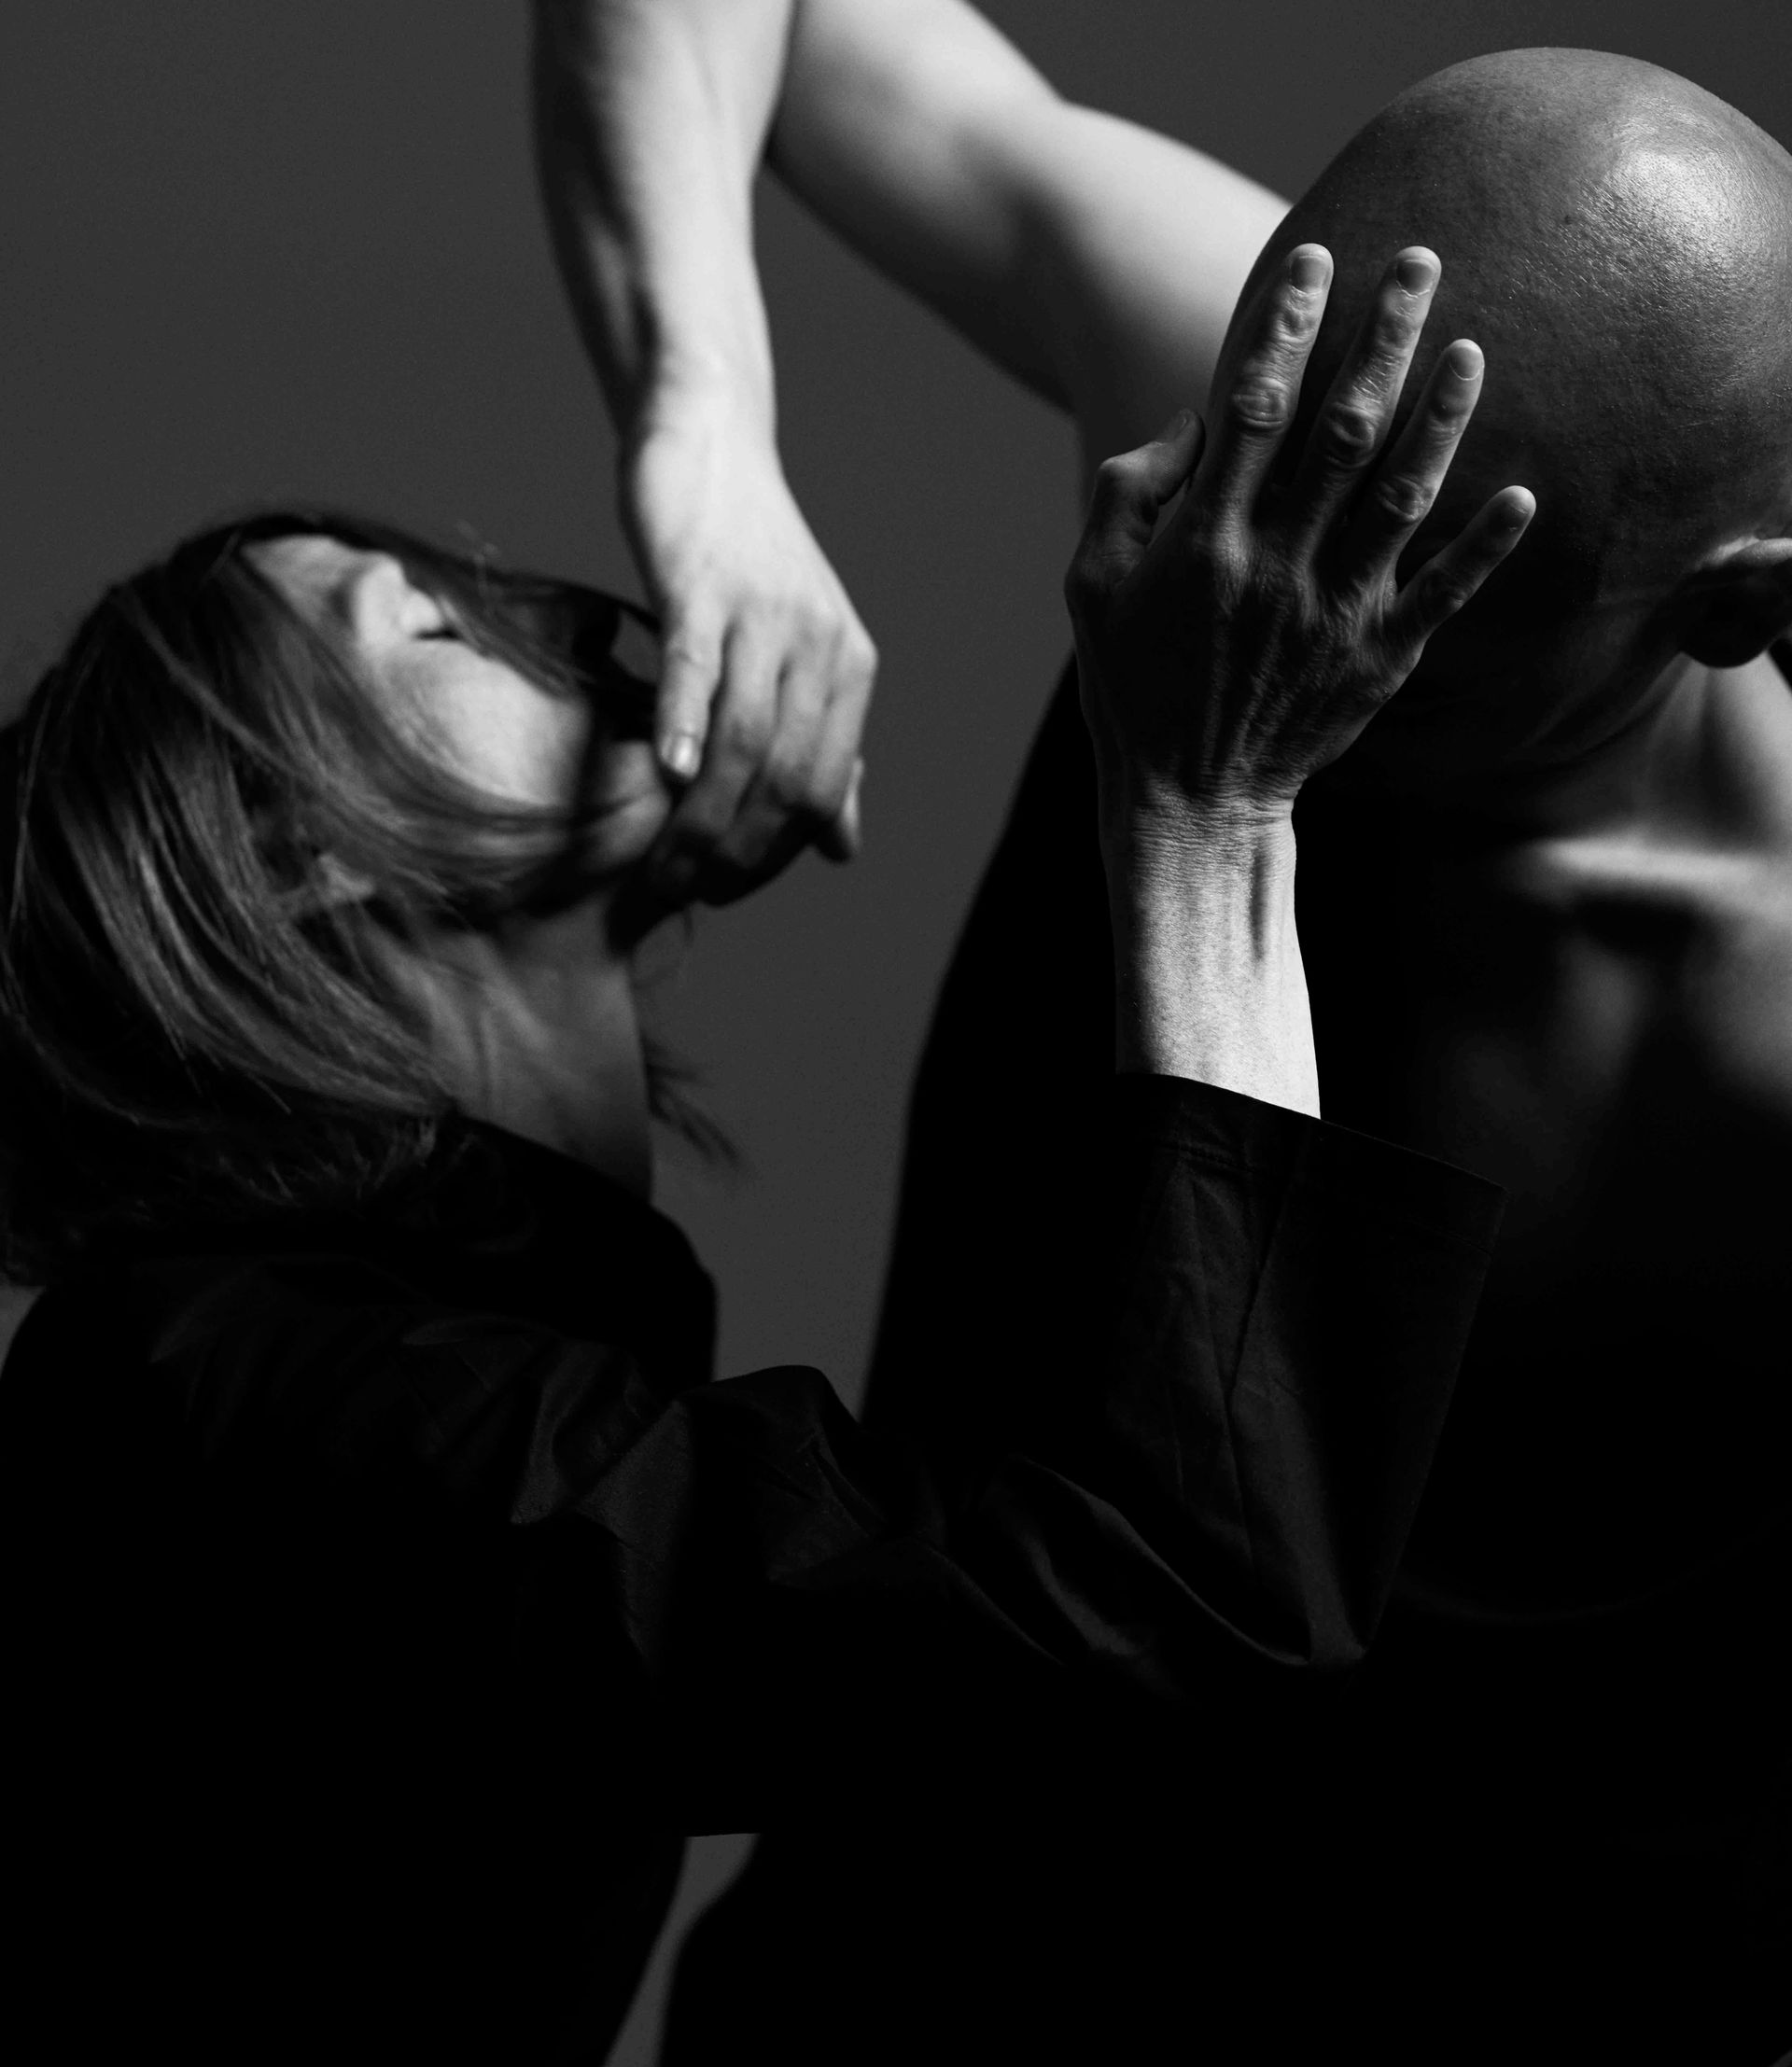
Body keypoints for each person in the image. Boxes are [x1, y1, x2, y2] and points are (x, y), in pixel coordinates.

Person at [0, 129, 1526, 2055]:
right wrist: (1208, 807)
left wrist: (712, 446)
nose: (574, 619)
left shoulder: (371, 1370)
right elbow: (1164, 1631)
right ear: (301, 853)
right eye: (443, 626)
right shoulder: (235, 1402)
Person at [526, 0, 1792, 2059]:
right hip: (915, 1955)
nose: (1255, 563)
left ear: (1733, 613)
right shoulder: (1294, 425)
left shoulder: (1756, 1028)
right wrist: (711, 444)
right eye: (1245, 448)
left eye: (1419, 578)